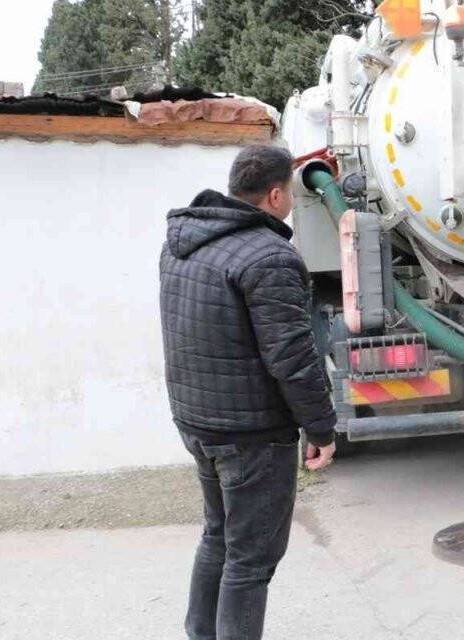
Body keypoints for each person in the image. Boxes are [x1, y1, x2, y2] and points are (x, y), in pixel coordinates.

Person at [159, 145, 338, 639]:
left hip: (196, 420)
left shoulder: (181, 243)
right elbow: (292, 358)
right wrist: (321, 427)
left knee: (218, 535)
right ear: (276, 194)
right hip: (251, 433)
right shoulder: (271, 256)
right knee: (251, 558)